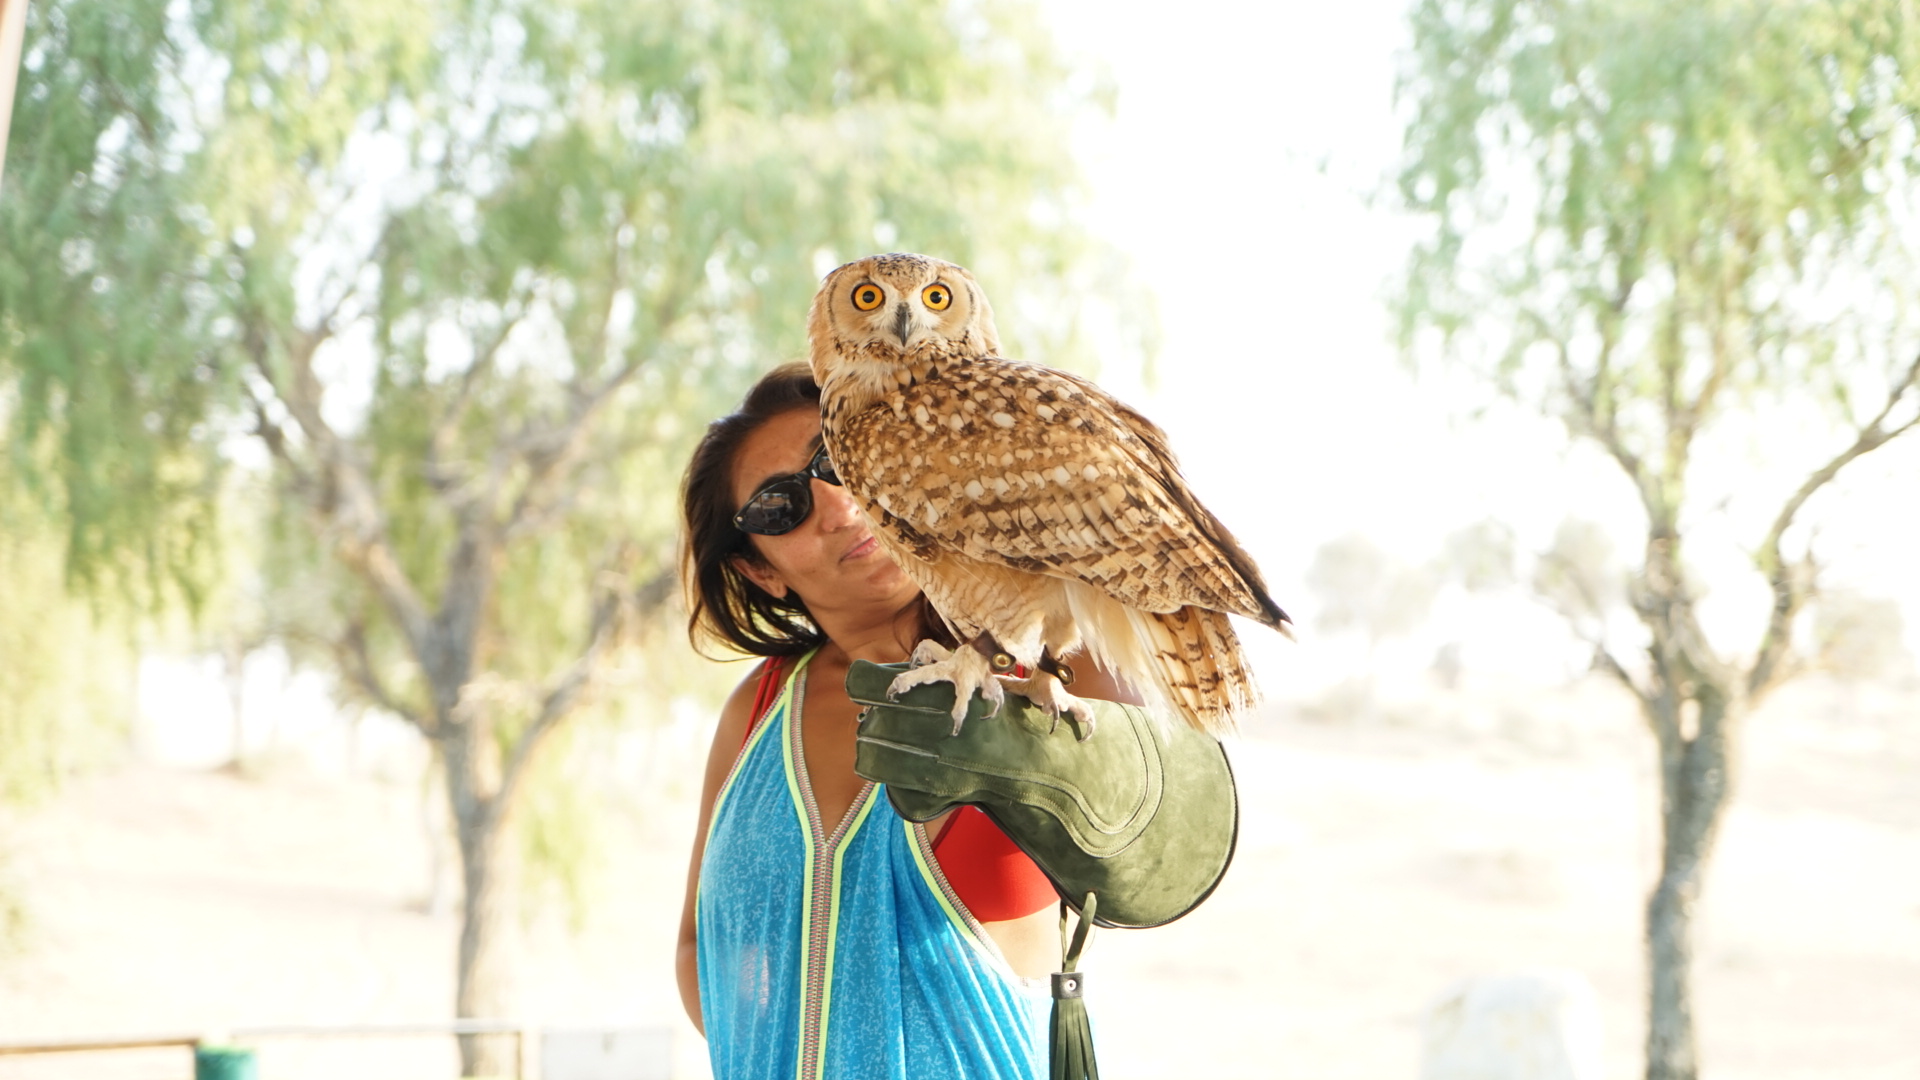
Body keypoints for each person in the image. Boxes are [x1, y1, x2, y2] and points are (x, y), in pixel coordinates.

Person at [674, 362, 1138, 1080]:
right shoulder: (759, 707)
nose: (834, 503)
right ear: (761, 569)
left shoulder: (1055, 666)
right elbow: (696, 949)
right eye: (780, 505)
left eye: (842, 461)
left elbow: (1165, 836)